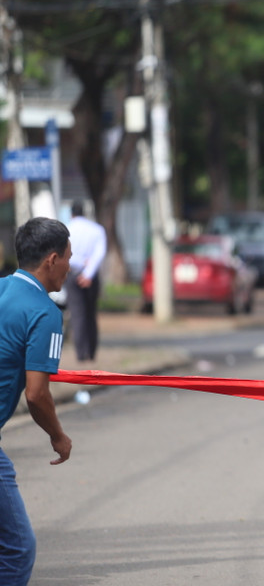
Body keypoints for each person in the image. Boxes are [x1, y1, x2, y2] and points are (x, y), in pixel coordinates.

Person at [0, 217, 73, 585]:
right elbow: (37, 393)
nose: (70, 268)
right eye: (69, 259)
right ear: (52, 260)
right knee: (17, 549)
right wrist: (58, 436)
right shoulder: (45, 314)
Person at [65, 200, 107, 362]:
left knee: (77, 314)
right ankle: (92, 351)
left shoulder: (66, 229)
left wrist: (79, 264)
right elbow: (100, 253)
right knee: (91, 313)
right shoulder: (97, 229)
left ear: (71, 214)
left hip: (73, 274)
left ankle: (81, 353)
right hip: (92, 276)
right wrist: (88, 274)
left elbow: (65, 254)